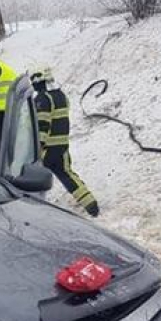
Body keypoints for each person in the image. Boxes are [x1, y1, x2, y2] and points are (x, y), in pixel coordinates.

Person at [32, 68, 99, 217]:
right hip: (62, 145)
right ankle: (91, 204)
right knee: (67, 175)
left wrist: (38, 146)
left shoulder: (43, 99)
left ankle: (35, 211)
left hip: (48, 149)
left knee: (32, 178)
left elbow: (43, 125)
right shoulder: (61, 96)